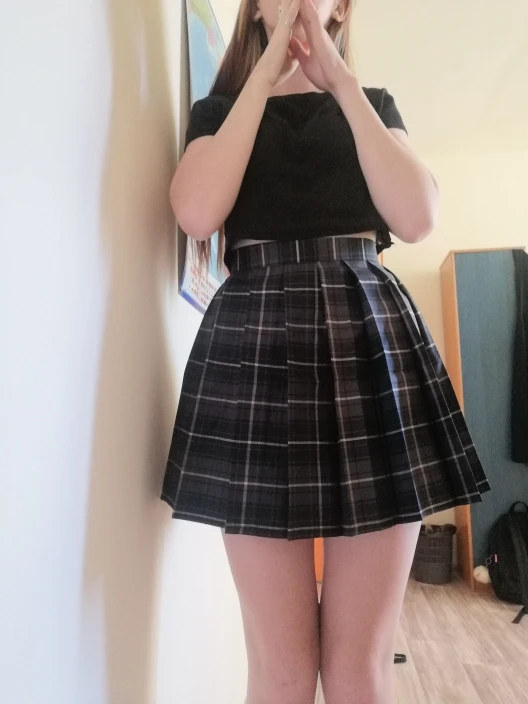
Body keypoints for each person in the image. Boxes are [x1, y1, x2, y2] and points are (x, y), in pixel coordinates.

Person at [161, 1, 491, 702]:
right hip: (254, 349)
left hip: (369, 343)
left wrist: (340, 80)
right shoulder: (217, 112)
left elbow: (417, 216)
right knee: (280, 669)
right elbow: (195, 211)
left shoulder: (373, 104)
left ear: (342, 6)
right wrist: (263, 75)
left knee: (358, 668)